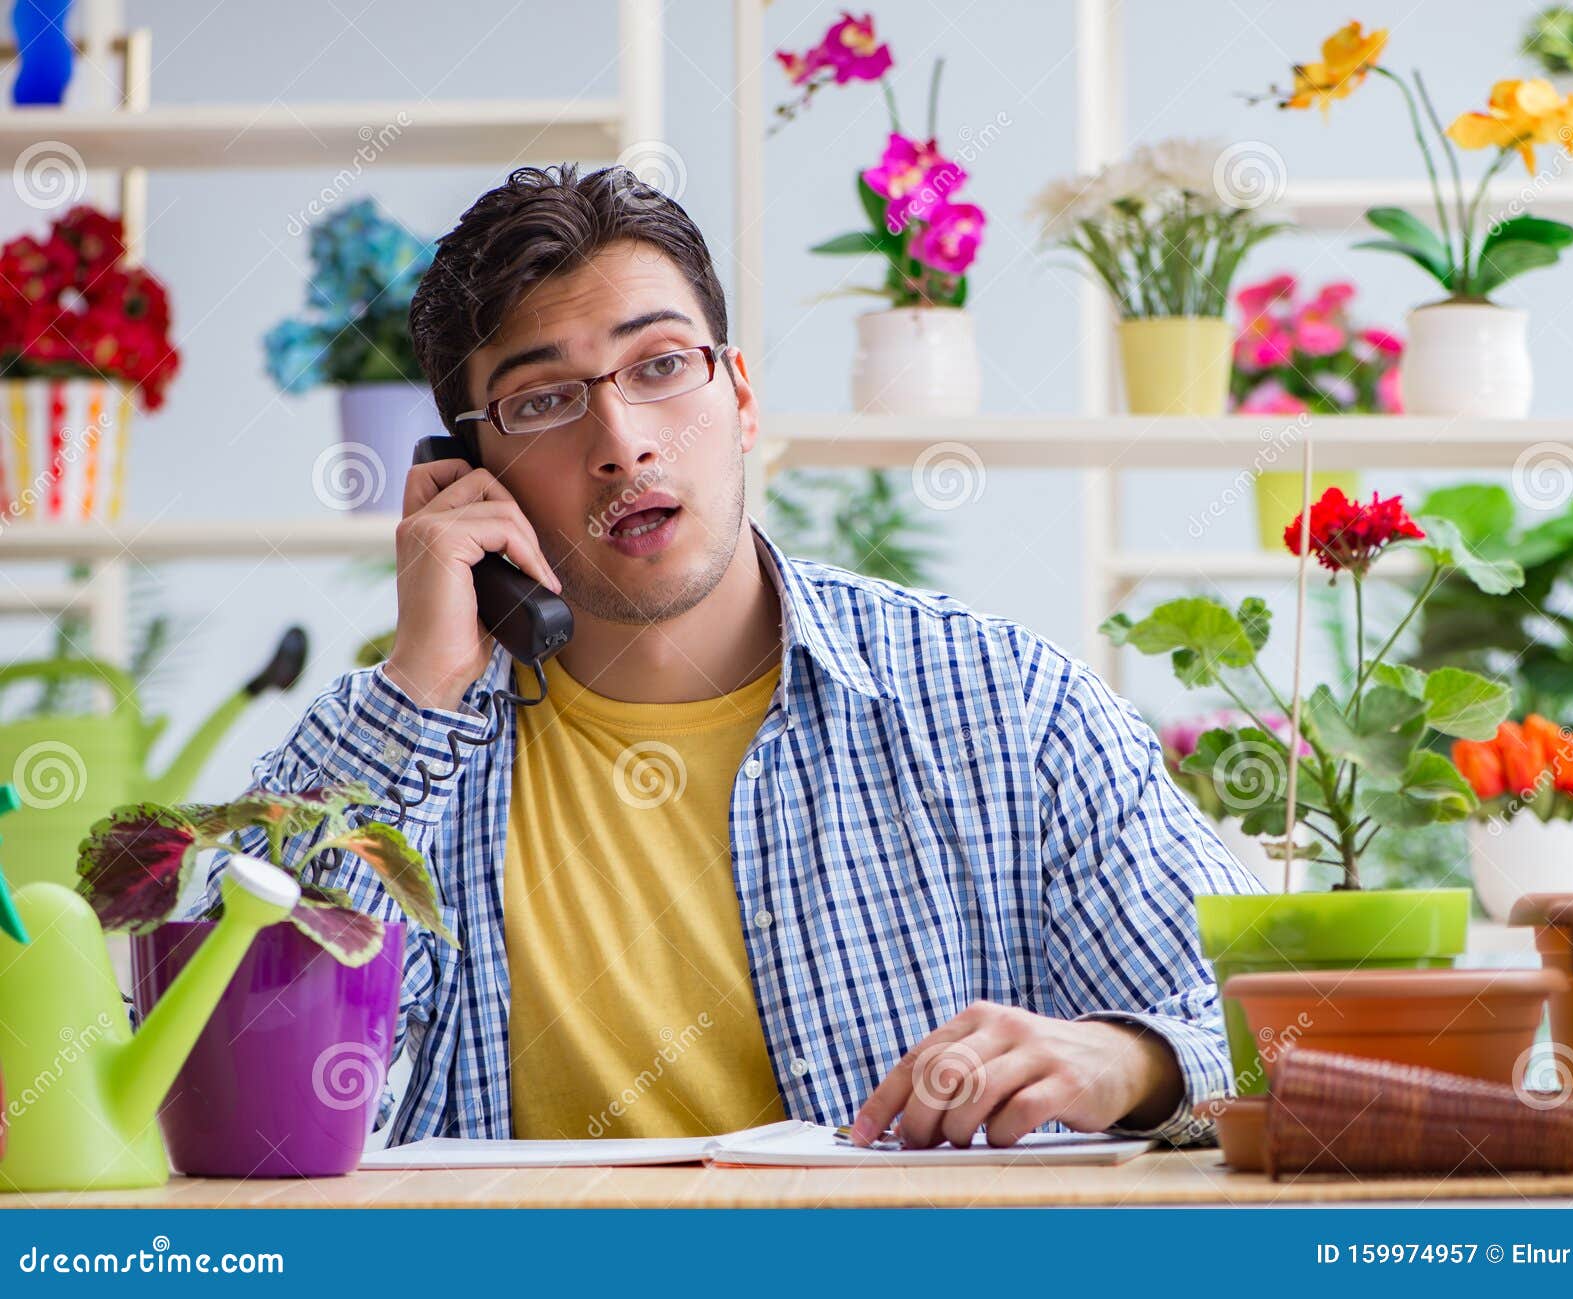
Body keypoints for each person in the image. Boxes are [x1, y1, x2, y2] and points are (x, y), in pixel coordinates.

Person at [198, 163, 1264, 1151]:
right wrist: (419, 692)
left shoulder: (1003, 704)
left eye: (659, 366)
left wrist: (1136, 1059)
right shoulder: (392, 741)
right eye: (542, 401)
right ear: (470, 473)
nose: (620, 440)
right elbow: (227, 1090)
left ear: (741, 397)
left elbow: (1278, 1041)